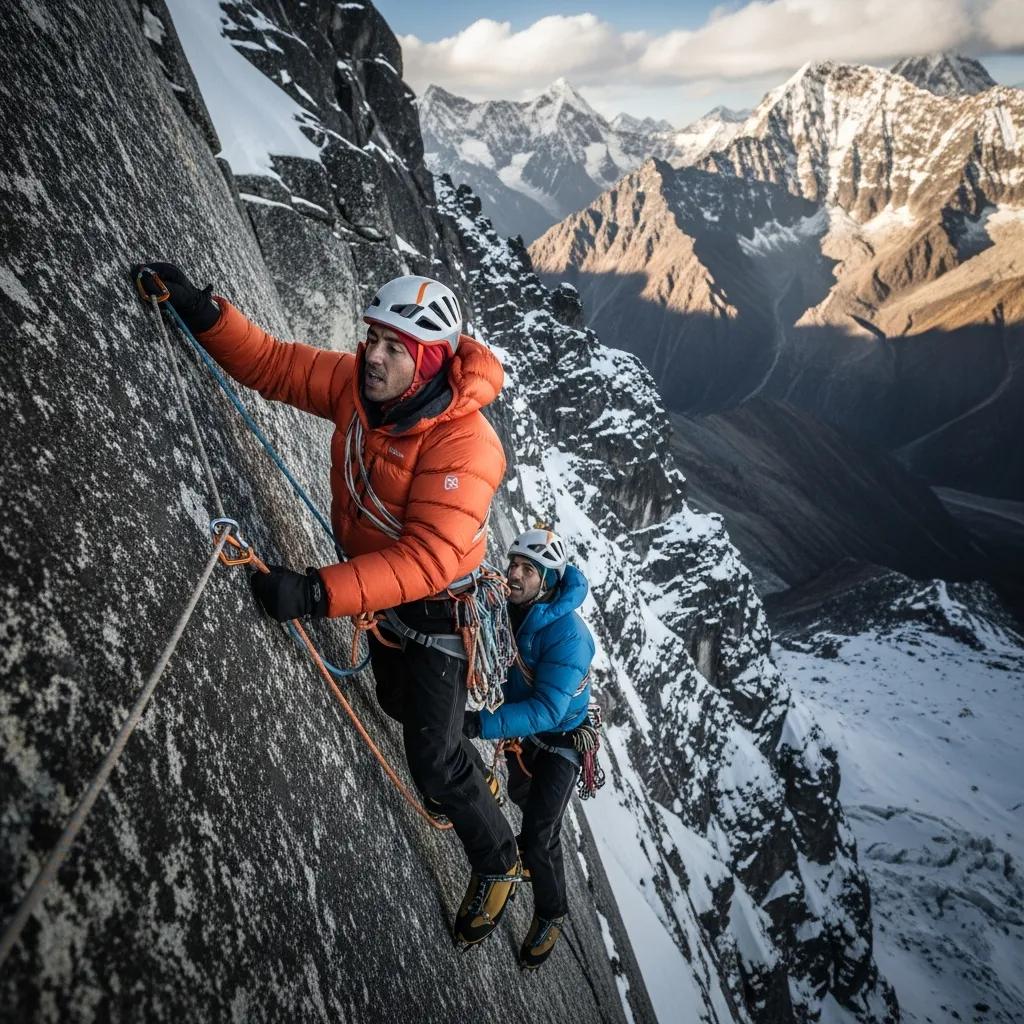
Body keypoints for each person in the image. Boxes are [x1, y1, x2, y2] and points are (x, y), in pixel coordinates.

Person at [133, 263, 520, 947]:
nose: (373, 354)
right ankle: (461, 769)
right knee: (400, 705)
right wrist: (201, 310)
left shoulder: (468, 445)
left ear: (429, 362)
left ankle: (498, 861)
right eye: (373, 337)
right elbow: (278, 366)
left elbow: (429, 559)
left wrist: (317, 592)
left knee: (434, 762)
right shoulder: (361, 387)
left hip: (436, 614)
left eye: (396, 347)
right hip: (381, 593)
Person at [463, 529, 595, 970]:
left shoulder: (570, 637)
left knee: (540, 835)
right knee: (523, 799)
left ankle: (552, 914)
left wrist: (482, 723)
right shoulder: (510, 605)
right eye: (513, 564)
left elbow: (547, 710)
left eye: (527, 570)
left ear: (549, 580)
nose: (514, 574)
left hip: (561, 740)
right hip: (528, 727)